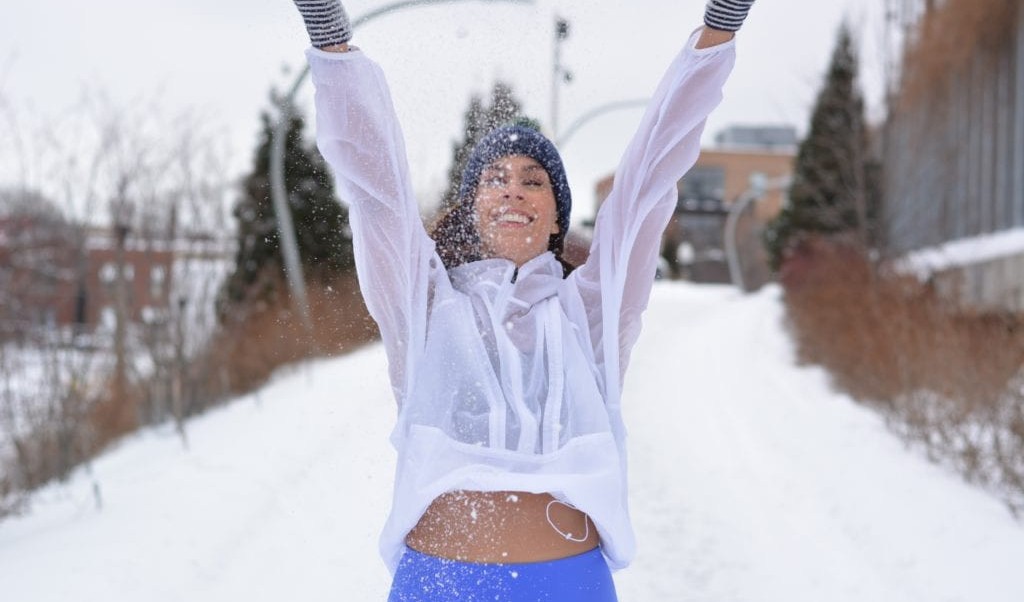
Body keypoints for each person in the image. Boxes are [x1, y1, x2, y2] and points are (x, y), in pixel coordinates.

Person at [290, 1, 755, 599]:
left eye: (534, 180)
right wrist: (331, 40)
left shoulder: (590, 311)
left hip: (566, 583)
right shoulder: (424, 303)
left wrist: (719, 31)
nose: (513, 188)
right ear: (473, 207)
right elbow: (375, 188)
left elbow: (648, 183)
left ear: (558, 215)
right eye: (494, 179)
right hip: (440, 582)